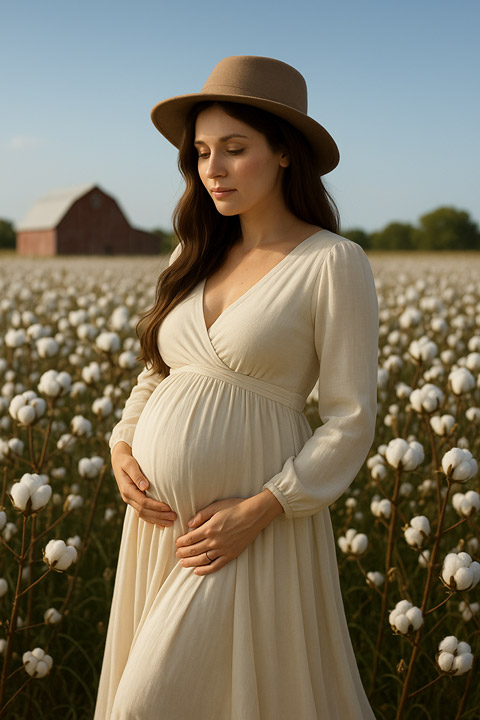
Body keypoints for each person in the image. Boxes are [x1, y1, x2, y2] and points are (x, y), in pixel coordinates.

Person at [94, 55, 378, 720]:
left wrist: (262, 508)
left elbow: (350, 417)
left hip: (249, 528)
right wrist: (122, 448)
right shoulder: (192, 254)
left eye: (234, 149)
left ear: (283, 153)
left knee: (148, 705)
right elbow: (157, 374)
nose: (212, 169)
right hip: (164, 528)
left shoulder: (333, 262)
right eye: (199, 153)